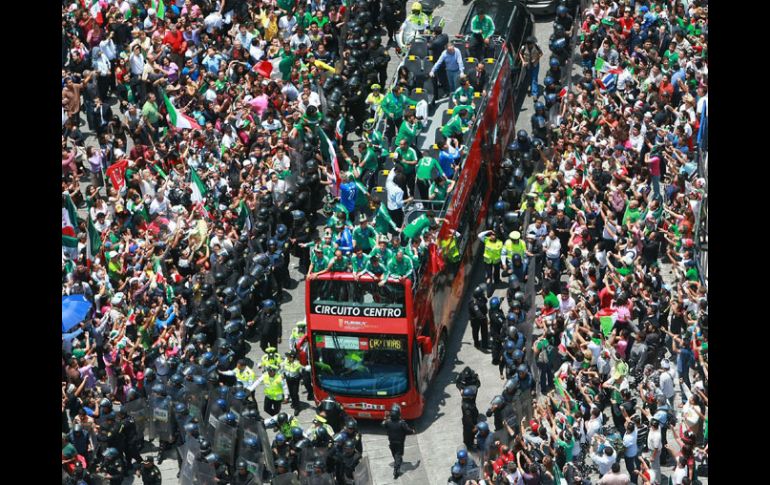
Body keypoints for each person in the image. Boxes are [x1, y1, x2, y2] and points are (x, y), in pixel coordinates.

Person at [381, 404, 415, 479]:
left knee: (395, 454)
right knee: (398, 455)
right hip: (399, 443)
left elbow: (383, 424)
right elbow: (408, 430)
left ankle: (397, 462)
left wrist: (385, 417)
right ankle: (396, 469)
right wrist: (413, 431)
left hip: (391, 442)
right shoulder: (402, 423)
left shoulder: (388, 422)